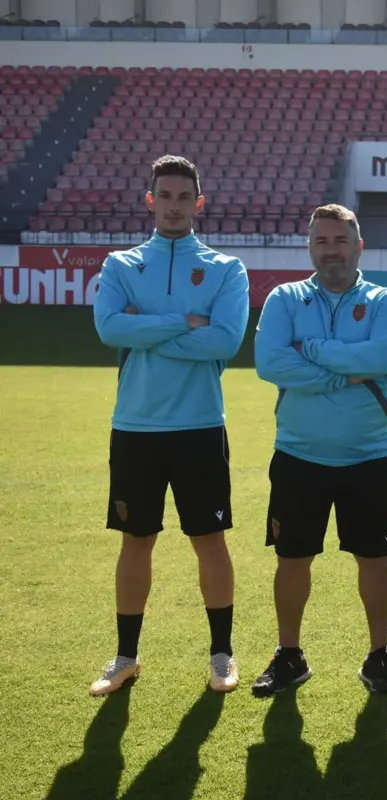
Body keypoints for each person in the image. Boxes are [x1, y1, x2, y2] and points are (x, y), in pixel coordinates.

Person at [90, 154, 249, 695]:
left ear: (199, 203)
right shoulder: (120, 265)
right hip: (135, 426)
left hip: (200, 425)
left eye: (186, 197)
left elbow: (225, 340)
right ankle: (124, 656)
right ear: (150, 201)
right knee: (136, 541)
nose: (176, 206)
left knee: (210, 538)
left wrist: (147, 328)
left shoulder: (227, 269)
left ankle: (222, 654)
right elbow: (111, 329)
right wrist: (185, 323)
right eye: (167, 196)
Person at [250, 204, 387, 697]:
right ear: (310, 247)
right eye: (322, 241)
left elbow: (382, 356)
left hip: (367, 452)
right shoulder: (284, 298)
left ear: (358, 246)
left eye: (340, 240)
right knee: (292, 559)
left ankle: (379, 655)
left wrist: (312, 351)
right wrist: (347, 371)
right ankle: (289, 655)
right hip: (299, 453)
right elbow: (270, 363)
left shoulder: (386, 301)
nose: (331, 249)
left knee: (374, 559)